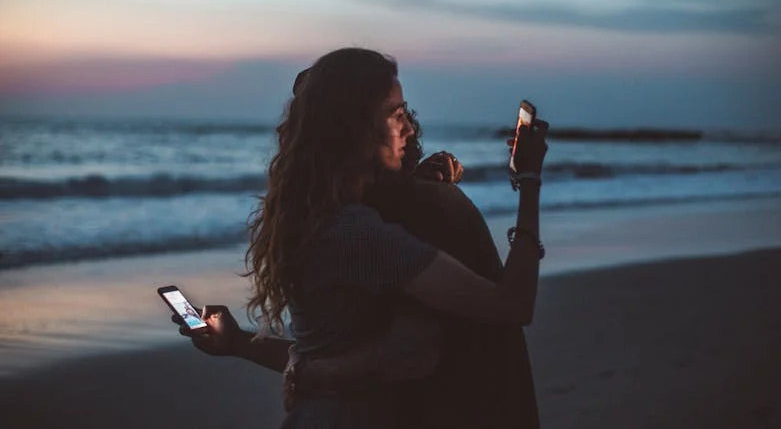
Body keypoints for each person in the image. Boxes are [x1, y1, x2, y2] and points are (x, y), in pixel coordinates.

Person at [176, 48, 548, 428]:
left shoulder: (314, 218)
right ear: (355, 128)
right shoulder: (360, 234)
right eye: (397, 115)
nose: (410, 129)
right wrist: (529, 181)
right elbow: (509, 307)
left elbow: (321, 356)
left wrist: (239, 344)